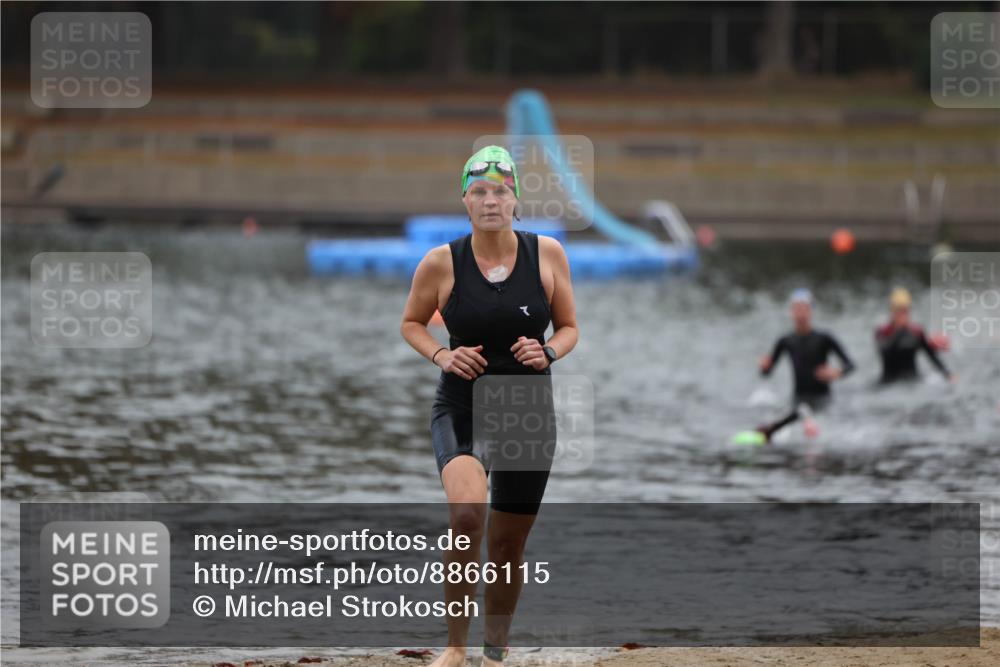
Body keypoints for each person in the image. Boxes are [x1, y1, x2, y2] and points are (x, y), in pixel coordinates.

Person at [400, 145, 578, 667]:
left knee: (506, 546)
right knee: (466, 516)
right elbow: (411, 322)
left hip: (526, 410)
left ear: (515, 199)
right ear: (465, 201)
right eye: (479, 191)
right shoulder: (441, 262)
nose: (490, 200)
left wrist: (546, 350)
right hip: (463, 405)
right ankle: (455, 648)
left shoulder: (546, 254)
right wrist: (441, 353)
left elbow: (569, 329)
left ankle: (495, 651)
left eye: (500, 191)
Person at [756, 288, 855, 442]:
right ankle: (772, 431)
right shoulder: (786, 341)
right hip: (798, 398)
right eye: (797, 309)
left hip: (823, 398)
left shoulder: (824, 338)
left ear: (810, 311)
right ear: (791, 312)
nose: (800, 314)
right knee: (800, 413)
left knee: (807, 420)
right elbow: (766, 374)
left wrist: (836, 373)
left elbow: (850, 365)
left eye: (804, 309)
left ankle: (772, 430)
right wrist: (764, 367)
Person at [876, 287, 954, 384]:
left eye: (905, 311)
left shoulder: (916, 332)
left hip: (913, 381)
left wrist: (947, 374)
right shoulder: (882, 332)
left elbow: (931, 356)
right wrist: (899, 331)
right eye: (898, 311)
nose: (902, 315)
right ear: (892, 312)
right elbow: (886, 353)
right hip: (889, 381)